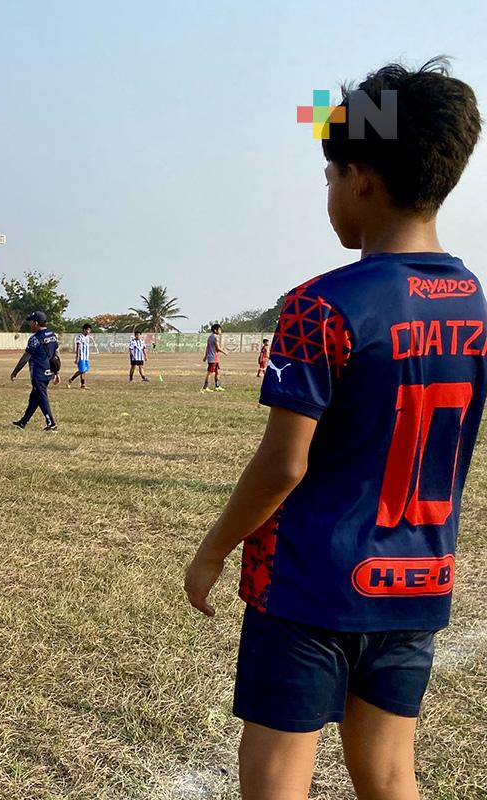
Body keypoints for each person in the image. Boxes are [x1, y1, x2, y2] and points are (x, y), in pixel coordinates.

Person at [184, 59, 482, 799]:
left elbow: (283, 466)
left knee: (278, 774)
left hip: (310, 585)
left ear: (362, 179)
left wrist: (213, 550)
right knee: (389, 770)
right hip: (416, 581)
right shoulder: (475, 304)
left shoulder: (321, 305)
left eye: (329, 176)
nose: (328, 194)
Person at [11, 311, 58, 431]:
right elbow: (55, 355)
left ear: (36, 323)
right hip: (49, 372)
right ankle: (23, 422)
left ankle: (51, 423)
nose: (30, 324)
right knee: (34, 398)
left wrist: (15, 371)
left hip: (38, 373)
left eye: (31, 322)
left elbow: (25, 357)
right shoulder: (52, 335)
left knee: (41, 397)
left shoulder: (35, 339)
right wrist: (56, 372)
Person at [202, 323, 228, 392]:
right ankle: (205, 387)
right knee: (210, 372)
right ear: (215, 330)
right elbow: (218, 348)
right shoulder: (216, 337)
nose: (220, 331)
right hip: (213, 358)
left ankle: (217, 386)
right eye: (219, 330)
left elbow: (208, 348)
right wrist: (224, 352)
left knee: (217, 372)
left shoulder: (210, 337)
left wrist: (205, 356)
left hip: (213, 357)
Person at [66, 323, 93, 389]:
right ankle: (70, 380)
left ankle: (83, 384)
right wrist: (77, 357)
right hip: (81, 356)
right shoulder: (79, 337)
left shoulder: (87, 337)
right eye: (88, 330)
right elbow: (78, 347)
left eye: (90, 330)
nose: (89, 331)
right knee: (81, 370)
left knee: (84, 370)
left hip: (86, 356)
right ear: (84, 330)